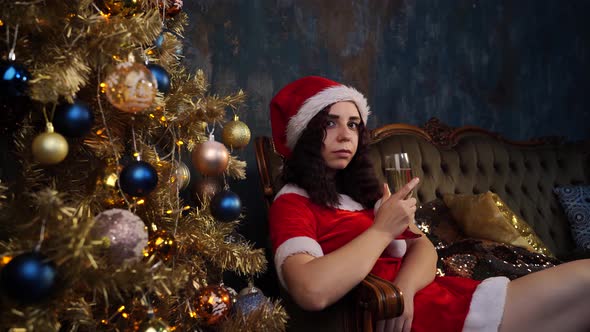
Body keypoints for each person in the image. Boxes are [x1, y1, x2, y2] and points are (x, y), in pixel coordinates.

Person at [267, 76, 590, 332]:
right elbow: (310, 291)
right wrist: (382, 230)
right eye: (330, 123)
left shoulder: (364, 194)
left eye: (353, 124)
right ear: (306, 134)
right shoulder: (293, 202)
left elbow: (425, 248)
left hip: (437, 298)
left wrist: (404, 290)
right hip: (428, 318)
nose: (345, 135)